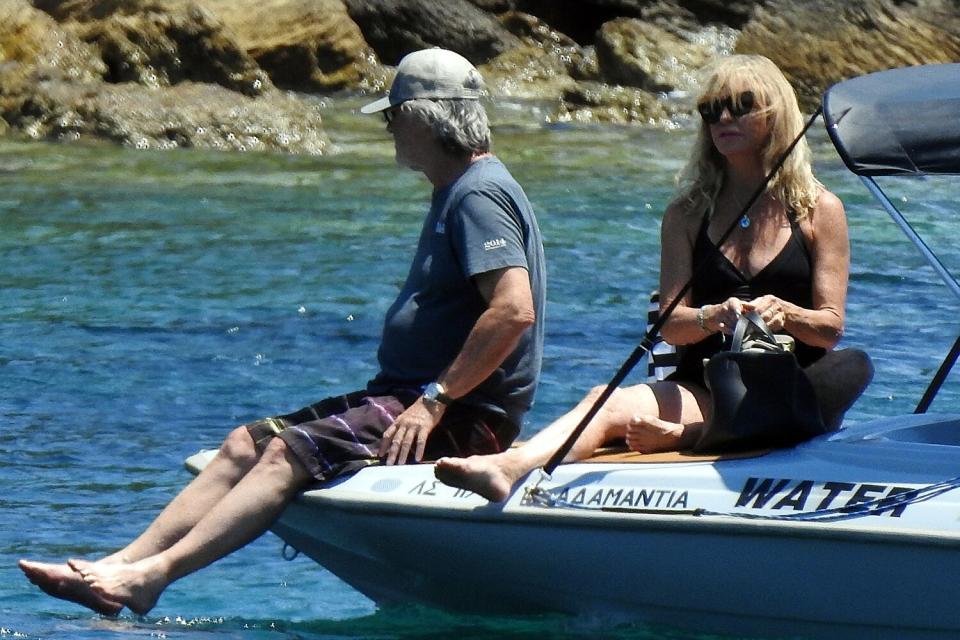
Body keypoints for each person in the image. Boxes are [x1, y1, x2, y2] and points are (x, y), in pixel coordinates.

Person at [19, 48, 546, 616]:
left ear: (423, 116)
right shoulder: (460, 190)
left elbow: (513, 310)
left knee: (285, 456)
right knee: (244, 444)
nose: (389, 131)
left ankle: (152, 579)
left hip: (462, 413)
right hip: (406, 394)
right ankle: (122, 563)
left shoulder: (478, 194)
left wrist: (434, 402)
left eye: (392, 117)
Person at [435, 54, 872, 502]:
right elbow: (670, 325)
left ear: (775, 114)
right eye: (711, 108)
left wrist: (784, 313)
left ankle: (686, 435)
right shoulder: (686, 213)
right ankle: (508, 467)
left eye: (740, 105)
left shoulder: (819, 210)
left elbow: (829, 331)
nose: (722, 118)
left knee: (852, 366)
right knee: (604, 400)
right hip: (706, 386)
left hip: (792, 388)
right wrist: (712, 317)